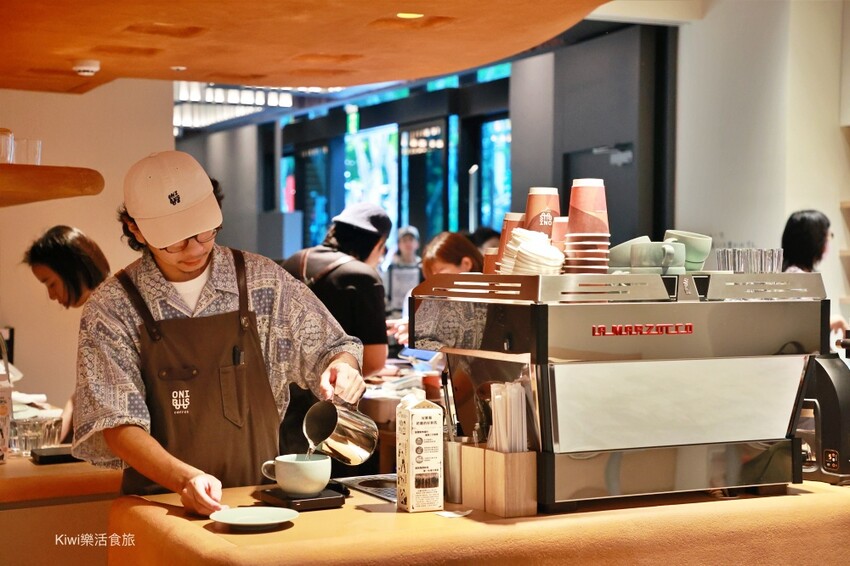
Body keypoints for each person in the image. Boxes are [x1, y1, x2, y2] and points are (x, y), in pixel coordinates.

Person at [72, 150, 365, 516]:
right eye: (175, 241)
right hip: (160, 506)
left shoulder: (264, 283)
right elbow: (116, 423)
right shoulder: (112, 308)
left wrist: (343, 366)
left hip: (259, 502)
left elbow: (333, 347)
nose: (195, 248)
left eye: (203, 231)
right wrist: (184, 480)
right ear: (136, 229)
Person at [279, 202, 390, 475]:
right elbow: (374, 361)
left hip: (281, 406)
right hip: (334, 417)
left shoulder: (293, 261)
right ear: (377, 244)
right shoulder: (362, 276)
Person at [23, 225, 111, 442]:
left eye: (51, 283)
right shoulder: (99, 307)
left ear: (74, 270)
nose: (52, 296)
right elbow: (86, 388)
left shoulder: (109, 311)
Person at [388, 231, 485, 347]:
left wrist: (422, 330)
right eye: (431, 276)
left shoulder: (487, 297)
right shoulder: (437, 302)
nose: (434, 283)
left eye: (440, 272)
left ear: (466, 264)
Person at [781, 209, 847, 335]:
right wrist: (833, 321)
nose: (828, 241)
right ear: (814, 240)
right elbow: (803, 327)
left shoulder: (793, 275)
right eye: (827, 236)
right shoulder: (798, 279)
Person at [383, 225, 422, 320]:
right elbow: (385, 295)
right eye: (404, 240)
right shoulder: (391, 268)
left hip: (417, 317)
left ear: (417, 243)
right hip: (394, 317)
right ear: (399, 244)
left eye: (411, 239)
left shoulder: (422, 268)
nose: (408, 243)